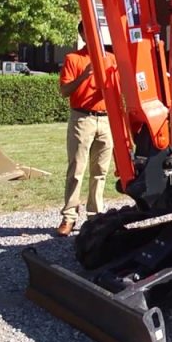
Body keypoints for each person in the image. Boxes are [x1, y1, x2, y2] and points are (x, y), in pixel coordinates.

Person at [56, 21, 116, 237]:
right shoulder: (74, 59)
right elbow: (64, 90)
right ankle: (69, 217)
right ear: (82, 34)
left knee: (100, 171)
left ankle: (95, 215)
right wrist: (84, 76)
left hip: (106, 119)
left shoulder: (111, 59)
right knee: (77, 169)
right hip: (82, 119)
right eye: (88, 33)